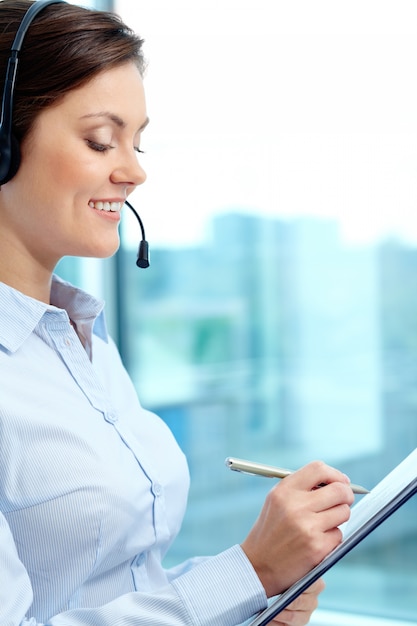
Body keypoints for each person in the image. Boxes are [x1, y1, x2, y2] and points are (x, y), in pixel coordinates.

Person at [0, 1, 354, 625]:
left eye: (137, 143)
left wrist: (255, 602)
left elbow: (115, 589)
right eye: (100, 140)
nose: (134, 171)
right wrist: (251, 569)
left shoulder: (81, 338)